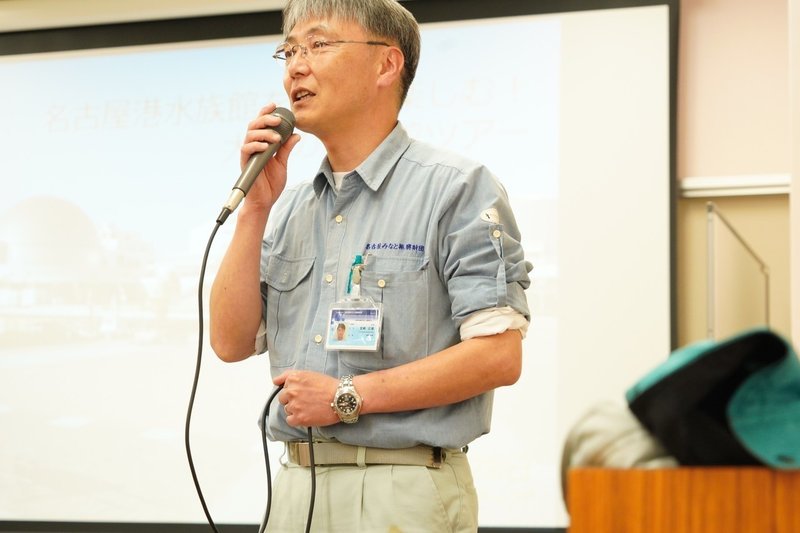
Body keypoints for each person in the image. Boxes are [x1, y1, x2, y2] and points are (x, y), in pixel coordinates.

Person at [209, 0, 532, 530]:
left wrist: (345, 397)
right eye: (288, 50)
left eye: (318, 44)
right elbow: (230, 341)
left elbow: (498, 356)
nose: (295, 65)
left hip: (402, 490)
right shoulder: (288, 206)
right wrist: (255, 211)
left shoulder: (456, 187)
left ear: (387, 64)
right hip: (297, 487)